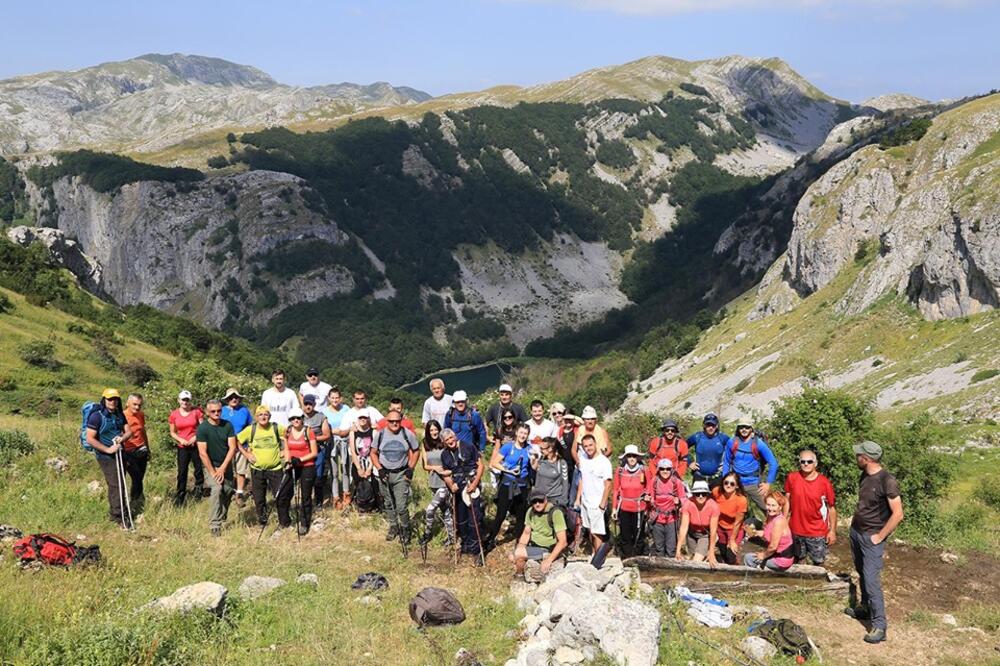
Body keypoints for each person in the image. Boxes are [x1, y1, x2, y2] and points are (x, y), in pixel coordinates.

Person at [844, 440, 903, 645]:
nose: (856, 457)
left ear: (867, 458)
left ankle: (880, 626)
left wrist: (879, 536)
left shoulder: (887, 480)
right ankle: (865, 608)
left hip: (872, 538)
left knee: (871, 580)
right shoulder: (865, 475)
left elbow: (898, 514)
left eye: (859, 455)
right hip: (856, 532)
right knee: (861, 572)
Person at [370, 409, 420, 543]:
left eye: (397, 421)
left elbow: (416, 451)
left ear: (401, 420)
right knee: (388, 502)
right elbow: (373, 452)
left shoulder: (406, 434)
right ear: (387, 421)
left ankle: (405, 529)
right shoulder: (380, 435)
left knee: (401, 505)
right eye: (391, 421)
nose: (394, 424)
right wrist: (379, 468)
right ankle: (393, 526)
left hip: (401, 474)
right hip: (385, 474)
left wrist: (411, 467)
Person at [85, 388, 132, 527]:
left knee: (121, 483)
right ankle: (118, 516)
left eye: (115, 399)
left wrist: (121, 438)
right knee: (116, 484)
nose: (113, 401)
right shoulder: (96, 416)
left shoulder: (119, 414)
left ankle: (118, 513)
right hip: (105, 455)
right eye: (110, 399)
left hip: (120, 452)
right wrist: (108, 449)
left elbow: (128, 431)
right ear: (104, 400)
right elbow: (90, 438)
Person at [784, 449, 837, 565]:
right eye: (803, 461)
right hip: (796, 529)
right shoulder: (792, 478)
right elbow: (786, 501)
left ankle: (818, 583)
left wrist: (832, 531)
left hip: (817, 531)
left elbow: (831, 508)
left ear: (815, 464)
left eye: (809, 461)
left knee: (818, 562)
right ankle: (801, 582)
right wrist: (783, 523)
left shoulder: (824, 483)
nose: (806, 464)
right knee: (798, 559)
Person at [441, 427, 486, 565]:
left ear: (455, 437)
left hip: (471, 484)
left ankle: (476, 550)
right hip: (457, 486)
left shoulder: (468, 446)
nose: (450, 441)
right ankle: (466, 544)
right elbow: (446, 474)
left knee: (474, 518)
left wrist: (475, 484)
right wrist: (450, 484)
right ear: (444, 442)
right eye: (447, 440)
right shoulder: (445, 454)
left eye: (451, 438)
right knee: (461, 519)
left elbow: (481, 466)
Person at [236, 405, 286, 528]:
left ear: (269, 416)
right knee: (259, 498)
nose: (263, 417)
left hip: (275, 469)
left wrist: (285, 450)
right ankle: (263, 521)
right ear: (256, 417)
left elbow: (289, 435)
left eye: (266, 414)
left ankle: (284, 522)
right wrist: (246, 454)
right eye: (260, 415)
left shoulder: (276, 427)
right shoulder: (250, 429)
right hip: (257, 469)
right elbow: (236, 441)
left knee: (280, 496)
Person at [486, 422, 533, 549]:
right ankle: (490, 540)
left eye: (525, 433)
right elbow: (494, 463)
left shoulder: (529, 449)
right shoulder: (508, 447)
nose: (523, 436)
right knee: (501, 514)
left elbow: (533, 467)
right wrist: (508, 470)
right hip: (508, 483)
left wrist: (535, 459)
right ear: (517, 433)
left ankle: (519, 541)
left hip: (522, 484)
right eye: (521, 432)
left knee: (520, 514)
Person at [195, 399, 238, 537]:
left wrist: (223, 468)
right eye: (213, 411)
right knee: (217, 488)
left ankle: (222, 515)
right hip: (210, 465)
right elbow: (202, 453)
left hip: (226, 464)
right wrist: (214, 472)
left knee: (228, 489)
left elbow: (232, 447)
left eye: (219, 410)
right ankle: (215, 524)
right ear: (207, 412)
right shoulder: (202, 428)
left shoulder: (228, 425)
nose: (216, 413)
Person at [722, 416, 779, 517]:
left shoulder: (758, 444)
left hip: (754, 483)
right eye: (741, 427)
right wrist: (725, 481)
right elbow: (726, 462)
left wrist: (768, 483)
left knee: (768, 509)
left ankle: (775, 529)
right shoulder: (732, 442)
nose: (744, 429)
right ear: (738, 428)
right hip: (736, 483)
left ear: (751, 429)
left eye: (747, 427)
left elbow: (773, 463)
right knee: (734, 511)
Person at [511, 490, 568, 578]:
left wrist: (549, 560)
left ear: (546, 500)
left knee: (518, 554)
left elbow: (563, 542)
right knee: (512, 555)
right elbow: (526, 533)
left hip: (547, 548)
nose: (537, 504)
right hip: (534, 545)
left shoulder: (555, 513)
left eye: (540, 501)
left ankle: (519, 576)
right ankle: (522, 573)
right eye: (534, 502)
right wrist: (521, 545)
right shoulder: (530, 511)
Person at [280, 407, 318, 535]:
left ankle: (304, 523)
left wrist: (300, 459)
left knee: (305, 496)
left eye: (298, 418)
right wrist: (288, 460)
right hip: (292, 465)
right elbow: (286, 448)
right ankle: (284, 521)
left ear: (302, 418)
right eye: (292, 418)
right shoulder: (288, 431)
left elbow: (314, 452)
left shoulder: (309, 431)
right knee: (284, 492)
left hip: (307, 465)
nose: (295, 420)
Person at [575, 434, 613, 556]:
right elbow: (582, 479)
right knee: (590, 530)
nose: (588, 448)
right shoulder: (583, 459)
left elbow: (608, 484)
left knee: (598, 532)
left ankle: (599, 558)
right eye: (585, 446)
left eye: (590, 445)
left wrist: (602, 503)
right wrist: (578, 498)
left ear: (595, 444)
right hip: (585, 501)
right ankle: (593, 553)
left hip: (597, 502)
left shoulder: (604, 462)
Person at [419, 420, 454, 546]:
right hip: (433, 481)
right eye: (431, 430)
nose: (434, 432)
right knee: (445, 510)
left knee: (430, 509)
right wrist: (435, 468)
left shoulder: (444, 443)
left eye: (436, 429)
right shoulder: (425, 443)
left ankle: (427, 534)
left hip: (445, 482)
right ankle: (452, 537)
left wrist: (444, 470)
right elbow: (425, 465)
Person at [612, 444, 649, 558]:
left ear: (638, 457)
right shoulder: (620, 471)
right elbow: (616, 490)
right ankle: (627, 559)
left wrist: (648, 505)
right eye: (629, 456)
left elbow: (649, 488)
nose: (632, 458)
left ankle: (638, 559)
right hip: (624, 508)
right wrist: (614, 508)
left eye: (634, 456)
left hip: (639, 508)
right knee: (625, 536)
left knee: (639, 536)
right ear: (625, 458)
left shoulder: (644, 470)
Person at [743, 491, 794, 572]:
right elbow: (769, 533)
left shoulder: (779, 521)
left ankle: (754, 579)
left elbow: (773, 547)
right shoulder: (771, 516)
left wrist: (763, 555)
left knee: (748, 558)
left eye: (773, 505)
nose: (770, 508)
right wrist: (756, 532)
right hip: (775, 554)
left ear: (780, 507)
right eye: (768, 505)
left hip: (781, 559)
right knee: (753, 555)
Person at [169, 390, 204, 505]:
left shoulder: (197, 412)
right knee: (182, 471)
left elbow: (202, 427)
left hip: (195, 444)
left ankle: (199, 492)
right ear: (179, 400)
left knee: (198, 469)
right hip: (182, 446)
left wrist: (195, 437)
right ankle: (180, 495)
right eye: (183, 399)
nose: (185, 402)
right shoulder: (174, 414)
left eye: (187, 400)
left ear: (190, 401)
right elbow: (173, 432)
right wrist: (181, 440)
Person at [647, 459, 687, 557]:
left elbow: (684, 499)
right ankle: (660, 570)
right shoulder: (654, 481)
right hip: (657, 519)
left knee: (671, 548)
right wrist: (648, 500)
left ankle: (671, 571)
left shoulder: (676, 482)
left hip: (672, 519)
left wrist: (679, 502)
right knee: (659, 548)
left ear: (672, 470)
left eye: (668, 469)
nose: (665, 471)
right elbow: (649, 496)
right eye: (662, 469)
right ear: (658, 470)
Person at [675, 480, 720, 567]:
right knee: (693, 556)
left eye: (703, 494)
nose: (700, 496)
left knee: (696, 561)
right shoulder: (688, 504)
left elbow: (713, 531)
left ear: (707, 494)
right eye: (697, 493)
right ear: (693, 494)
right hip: (691, 534)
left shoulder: (713, 506)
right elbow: (684, 527)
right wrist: (678, 549)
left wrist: (711, 553)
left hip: (705, 535)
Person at [221, 389, 253, 508]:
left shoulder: (244, 410)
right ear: (227, 400)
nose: (234, 399)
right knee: (226, 469)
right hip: (225, 445)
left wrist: (250, 445)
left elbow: (250, 427)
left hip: (241, 445)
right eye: (231, 398)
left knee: (240, 470)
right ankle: (226, 491)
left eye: (236, 397)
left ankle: (239, 494)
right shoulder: (222, 410)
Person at [322, 386, 351, 509]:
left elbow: (351, 425)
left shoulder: (346, 409)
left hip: (345, 442)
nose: (335, 400)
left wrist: (344, 432)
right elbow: (324, 429)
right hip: (332, 443)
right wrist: (336, 432)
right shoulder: (325, 412)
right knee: (334, 472)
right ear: (329, 398)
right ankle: (335, 497)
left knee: (345, 468)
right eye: (332, 397)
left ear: (341, 398)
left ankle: (346, 493)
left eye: (337, 397)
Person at [122, 393, 150, 514]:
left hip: (141, 448)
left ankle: (136, 502)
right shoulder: (122, 416)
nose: (137, 407)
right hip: (128, 451)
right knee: (136, 476)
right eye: (134, 404)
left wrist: (148, 448)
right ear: (128, 403)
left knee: (140, 478)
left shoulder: (141, 415)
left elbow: (143, 431)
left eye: (139, 405)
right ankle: (132, 503)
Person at [712, 472, 748, 565]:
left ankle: (736, 568)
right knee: (723, 553)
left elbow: (738, 522)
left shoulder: (741, 500)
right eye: (726, 482)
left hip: (734, 528)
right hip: (720, 526)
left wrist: (732, 540)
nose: (728, 485)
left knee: (731, 555)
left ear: (737, 486)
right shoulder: (716, 492)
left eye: (732, 484)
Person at [302, 396, 332, 508]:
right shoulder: (299, 417)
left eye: (310, 404)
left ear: (314, 405)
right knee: (305, 476)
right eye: (306, 404)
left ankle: (319, 501)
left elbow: (327, 435)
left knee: (318, 476)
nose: (308, 406)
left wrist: (311, 438)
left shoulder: (321, 417)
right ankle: (306, 501)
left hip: (319, 449)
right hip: (303, 450)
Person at [687, 413, 731, 488]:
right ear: (704, 425)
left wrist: (727, 463)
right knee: (699, 499)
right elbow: (681, 448)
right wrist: (689, 462)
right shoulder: (697, 437)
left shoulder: (722, 438)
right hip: (699, 477)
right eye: (708, 425)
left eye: (713, 425)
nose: (710, 428)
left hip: (717, 478)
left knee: (717, 500)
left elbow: (735, 450)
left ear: (717, 426)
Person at [347, 410, 379, 512]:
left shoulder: (373, 432)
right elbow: (353, 451)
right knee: (356, 482)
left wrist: (369, 468)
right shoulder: (353, 432)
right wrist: (359, 468)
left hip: (371, 461)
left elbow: (374, 451)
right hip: (358, 461)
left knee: (373, 483)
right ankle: (357, 504)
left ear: (368, 419)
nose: (363, 420)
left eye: (365, 418)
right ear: (357, 419)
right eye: (361, 418)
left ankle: (374, 505)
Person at [444, 390, 488, 454]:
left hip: (471, 451)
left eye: (462, 401)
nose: (460, 404)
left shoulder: (474, 415)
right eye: (457, 402)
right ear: (454, 403)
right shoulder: (450, 415)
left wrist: (481, 449)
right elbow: (446, 431)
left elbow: (482, 432)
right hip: (454, 450)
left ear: (466, 401)